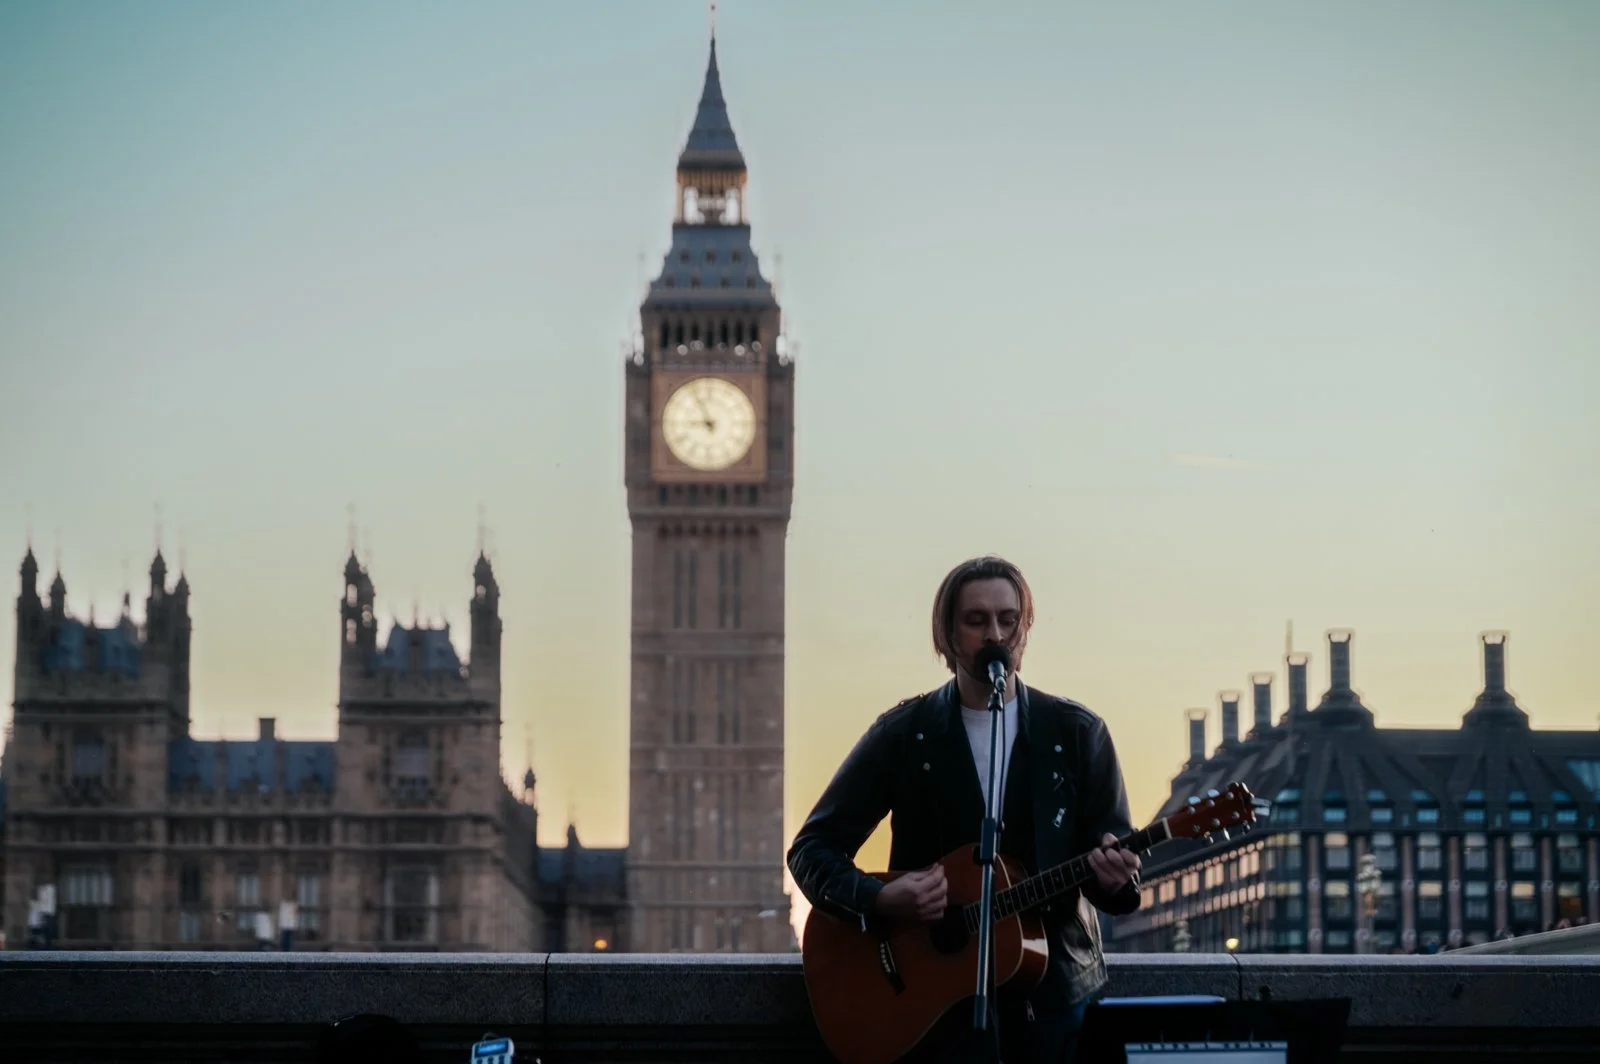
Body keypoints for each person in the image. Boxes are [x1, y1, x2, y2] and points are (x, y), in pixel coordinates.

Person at [788, 555, 1142, 1063]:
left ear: (1025, 630)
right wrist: (880, 898)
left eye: (1008, 619)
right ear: (947, 637)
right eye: (976, 621)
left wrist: (1114, 879)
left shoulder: (1079, 734)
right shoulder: (904, 734)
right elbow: (810, 851)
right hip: (932, 1008)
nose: (994, 634)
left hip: (1053, 1000)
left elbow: (1116, 872)